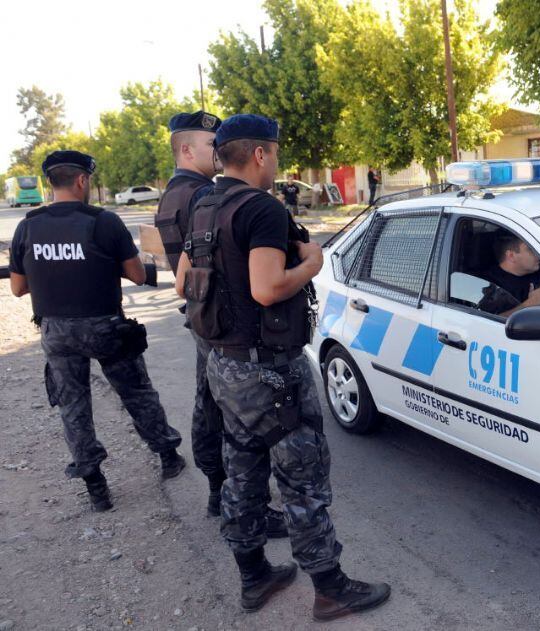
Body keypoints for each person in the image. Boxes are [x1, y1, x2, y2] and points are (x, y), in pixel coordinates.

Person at [175, 114, 390, 618]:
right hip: (269, 372)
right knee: (303, 479)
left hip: (224, 368)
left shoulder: (205, 204)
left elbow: (184, 282)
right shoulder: (260, 209)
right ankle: (331, 588)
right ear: (259, 155)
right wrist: (311, 264)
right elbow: (267, 288)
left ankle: (254, 577)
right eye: (274, 152)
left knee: (243, 472)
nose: (276, 162)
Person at [8, 150, 186, 512]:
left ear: (51, 183)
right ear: (82, 181)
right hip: (104, 325)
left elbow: (17, 288)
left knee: (73, 407)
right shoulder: (103, 222)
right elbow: (138, 275)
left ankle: (96, 487)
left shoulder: (27, 226)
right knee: (136, 392)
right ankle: (168, 456)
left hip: (56, 331)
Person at [154, 111, 288, 536]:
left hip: (203, 315)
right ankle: (236, 499)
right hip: (228, 322)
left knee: (211, 404)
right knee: (237, 421)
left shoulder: (174, 195)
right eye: (208, 145)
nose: (216, 154)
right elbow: (253, 281)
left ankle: (222, 492)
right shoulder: (204, 198)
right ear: (186, 149)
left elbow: (183, 278)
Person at [478, 233, 540, 317]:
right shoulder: (490, 285)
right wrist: (531, 303)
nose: (538, 254)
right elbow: (487, 323)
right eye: (530, 249)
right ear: (511, 256)